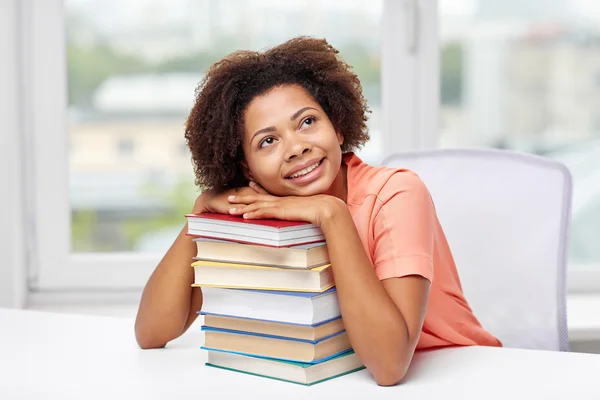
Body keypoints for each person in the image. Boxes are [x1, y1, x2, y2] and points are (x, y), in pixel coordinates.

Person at [134, 36, 501, 386]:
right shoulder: (258, 211)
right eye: (268, 141)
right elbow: (151, 333)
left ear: (338, 128)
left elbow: (390, 365)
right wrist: (202, 216)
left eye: (307, 121)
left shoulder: (397, 193)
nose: (296, 148)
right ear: (247, 168)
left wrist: (331, 213)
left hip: (460, 374)